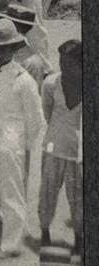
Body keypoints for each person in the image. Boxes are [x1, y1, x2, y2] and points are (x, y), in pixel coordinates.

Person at [0, 18, 45, 258]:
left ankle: (11, 244)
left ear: (14, 49)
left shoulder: (23, 80)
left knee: (12, 192)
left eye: (4, 48)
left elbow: (36, 119)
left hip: (10, 141)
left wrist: (22, 145)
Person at [38, 39, 82, 251]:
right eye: (61, 62)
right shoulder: (50, 84)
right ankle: (44, 232)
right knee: (47, 192)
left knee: (79, 197)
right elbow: (46, 112)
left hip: (78, 152)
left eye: (69, 64)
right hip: (53, 146)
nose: (63, 67)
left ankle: (80, 238)